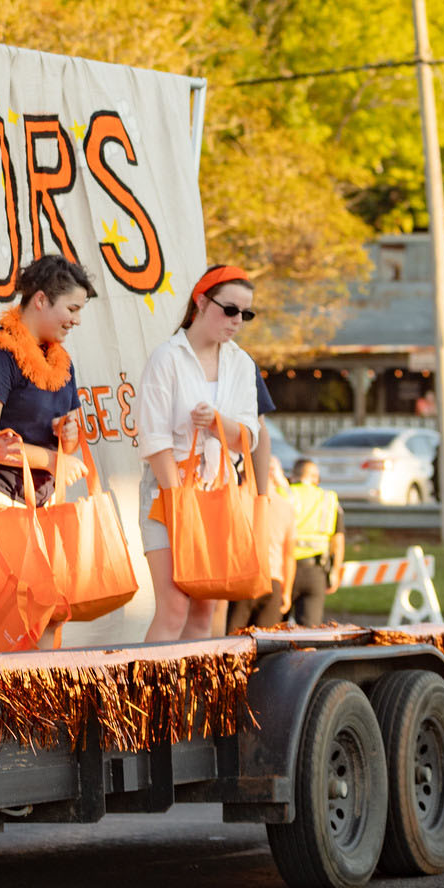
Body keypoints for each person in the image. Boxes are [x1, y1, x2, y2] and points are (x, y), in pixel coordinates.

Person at [0, 256, 95, 646]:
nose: (77, 320)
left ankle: (35, 707)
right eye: (72, 308)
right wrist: (53, 459)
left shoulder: (62, 363)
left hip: (45, 508)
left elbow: (68, 441)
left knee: (47, 624)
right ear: (39, 300)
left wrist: (66, 435)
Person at [139, 264, 263, 642]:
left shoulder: (241, 363)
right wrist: (178, 499)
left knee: (205, 607)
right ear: (201, 301)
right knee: (174, 607)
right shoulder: (168, 357)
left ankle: (193, 701)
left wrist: (216, 422)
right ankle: (150, 699)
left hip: (216, 491)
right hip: (167, 491)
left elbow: (248, 437)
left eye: (246, 313)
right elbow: (154, 439)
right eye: (230, 309)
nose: (237, 321)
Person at [229, 457, 296, 632]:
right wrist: (286, 591)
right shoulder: (286, 506)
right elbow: (289, 554)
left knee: (232, 644)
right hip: (273, 582)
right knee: (268, 644)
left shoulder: (238, 497)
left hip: (242, 578)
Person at [285, 458, 344, 626]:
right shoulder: (329, 499)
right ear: (316, 478)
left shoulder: (285, 494)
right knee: (310, 633)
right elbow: (338, 541)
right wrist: (335, 573)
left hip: (284, 571)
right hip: (315, 572)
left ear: (293, 476)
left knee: (275, 632)